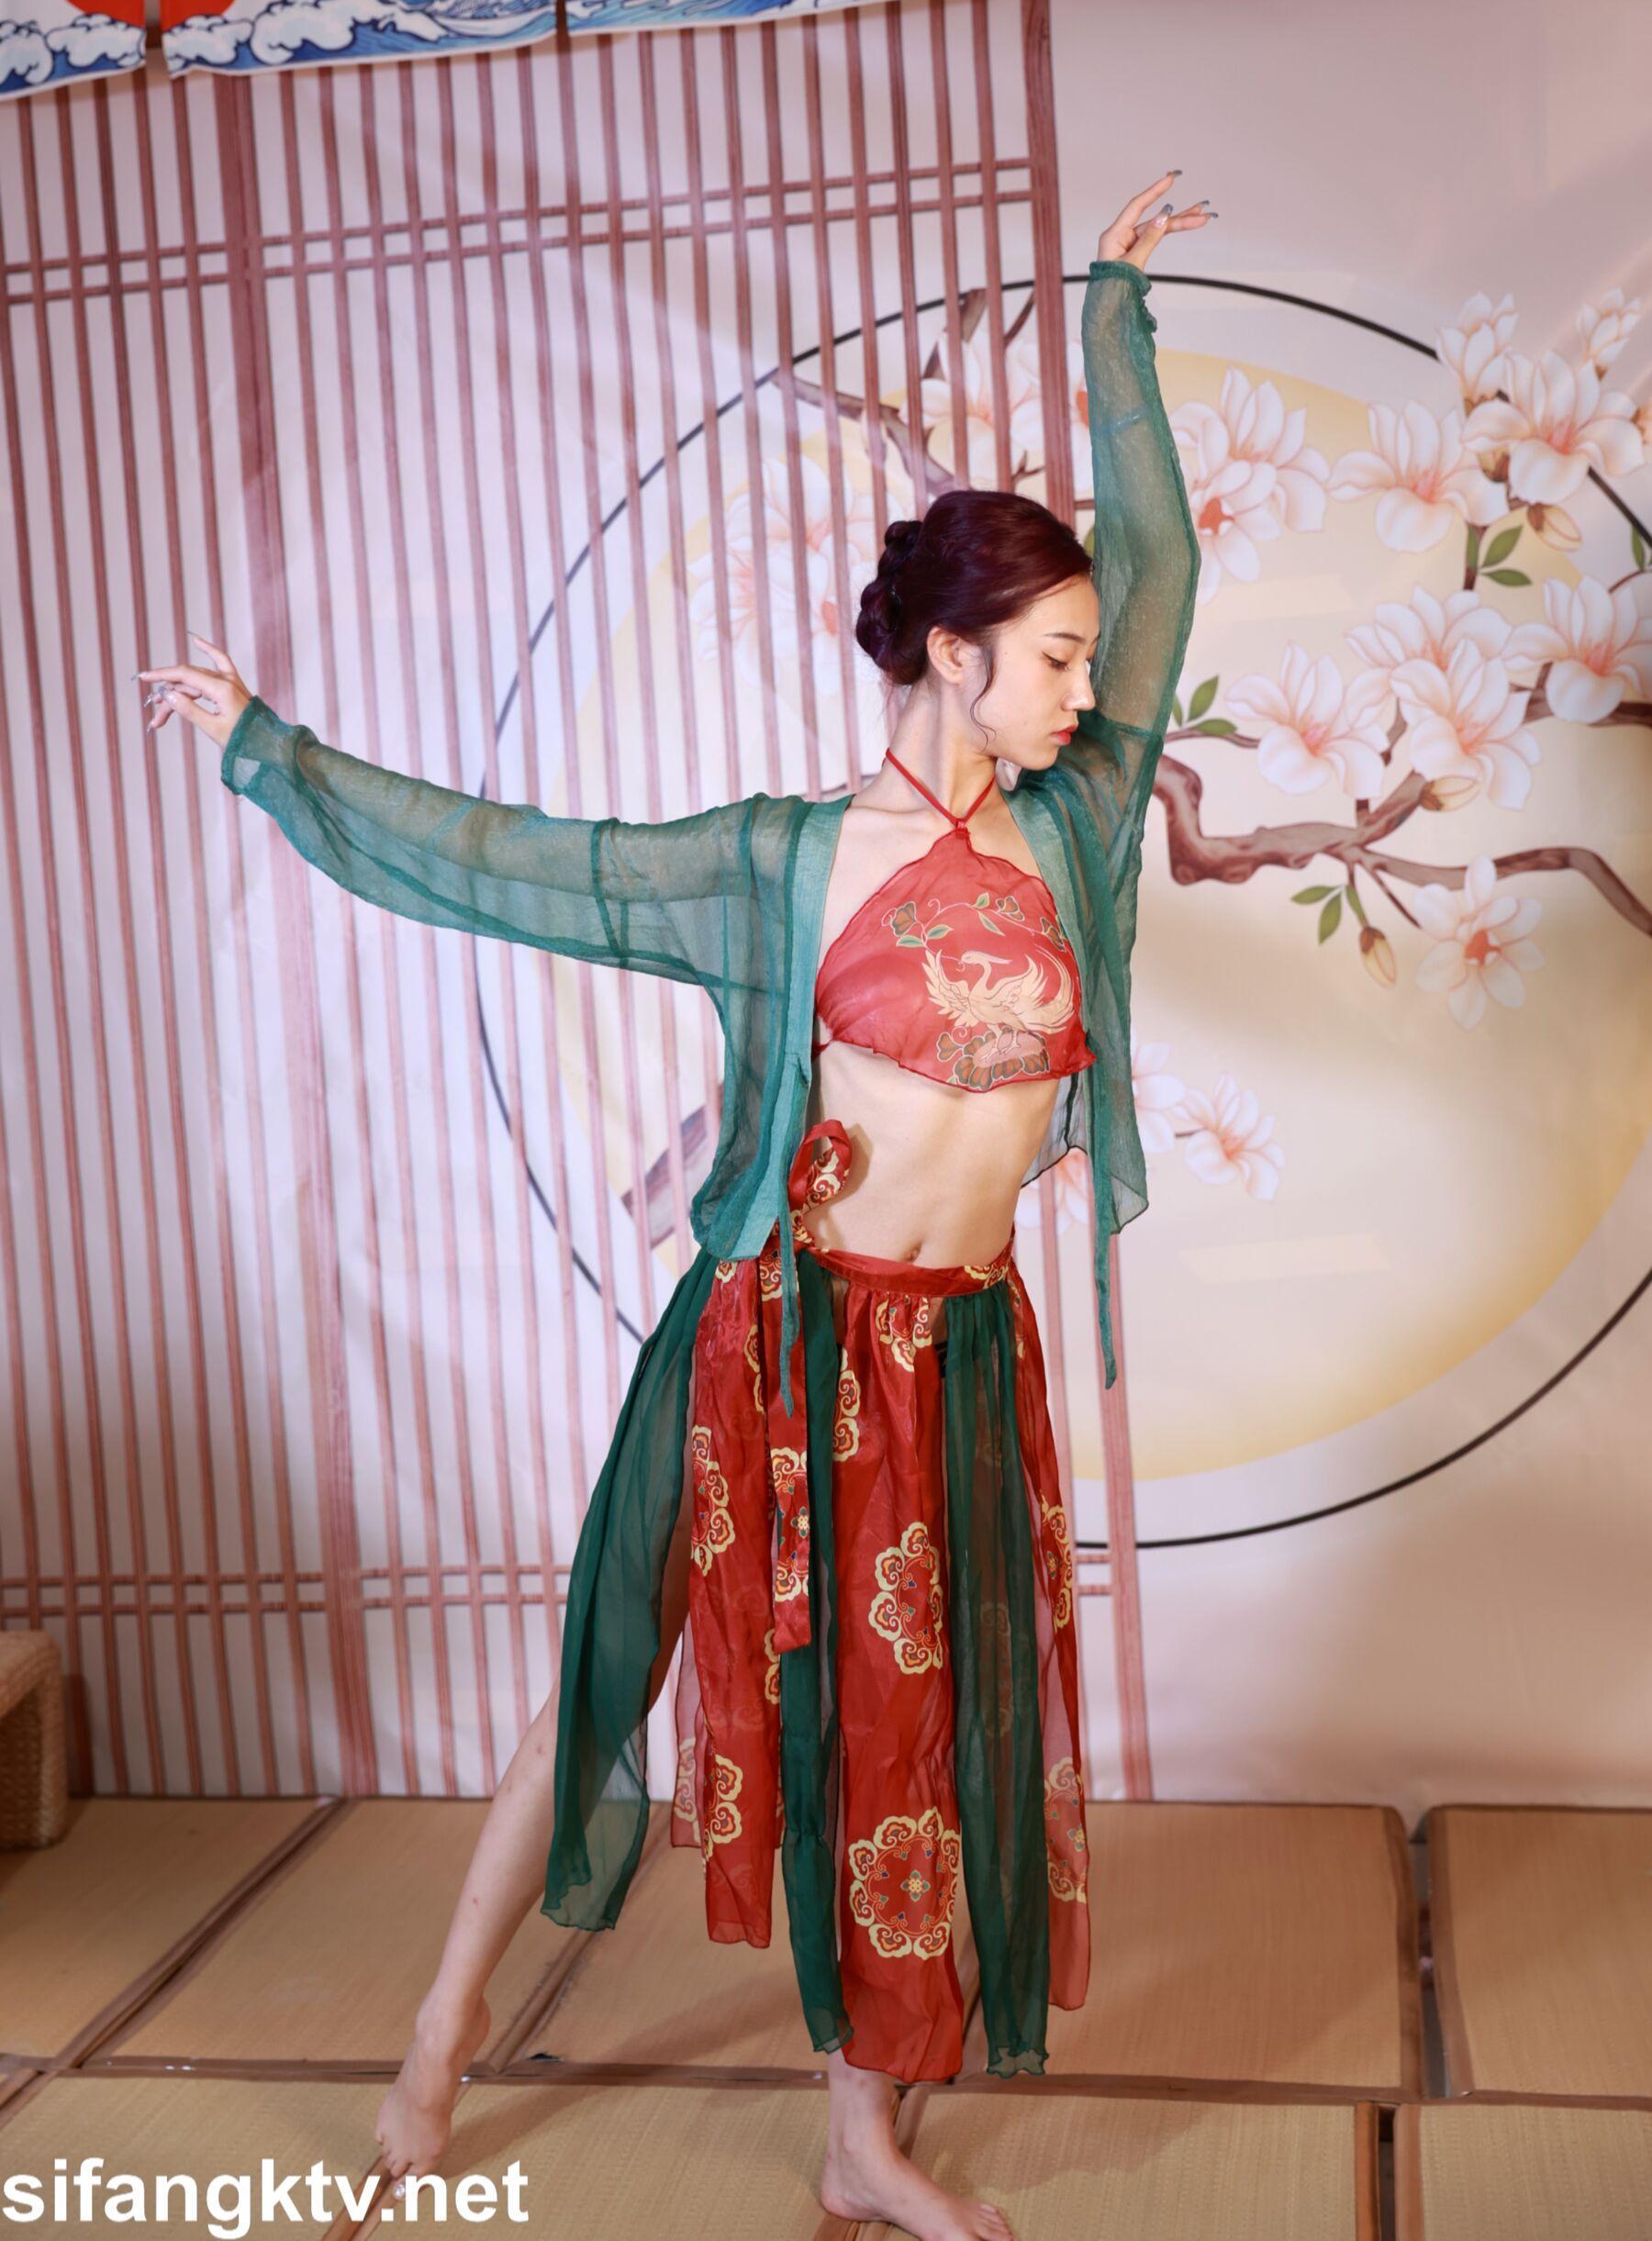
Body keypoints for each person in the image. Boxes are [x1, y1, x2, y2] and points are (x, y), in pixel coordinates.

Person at [140, 172, 1208, 2241]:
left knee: (910, 1735)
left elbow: (1157, 559)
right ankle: (444, 2020)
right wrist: (277, 753)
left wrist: (1117, 312)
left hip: (957, 1350)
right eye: (1055, 657)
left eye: (1090, 658)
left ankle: (860, 2140)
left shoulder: (1077, 824)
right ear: (954, 655)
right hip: (779, 1332)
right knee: (610, 1663)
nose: (1088, 688)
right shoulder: (780, 858)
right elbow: (519, 862)